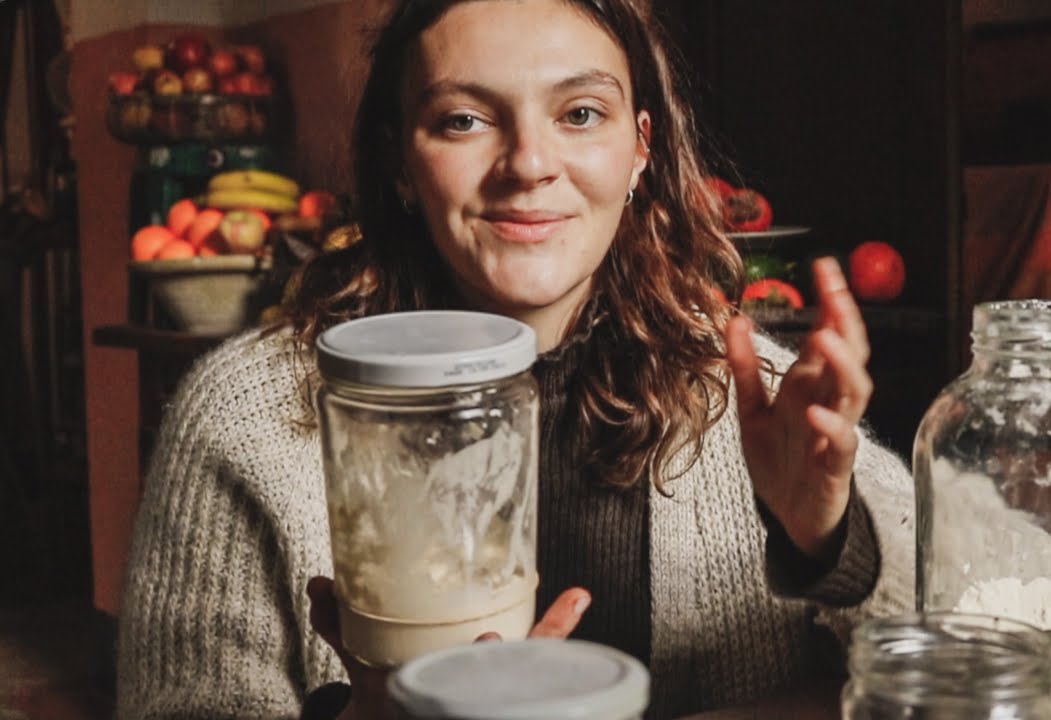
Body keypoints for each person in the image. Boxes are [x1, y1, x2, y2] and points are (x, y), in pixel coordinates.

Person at [116, 0, 914, 718]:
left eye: (580, 113)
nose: (529, 163)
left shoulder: (754, 401)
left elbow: (986, 645)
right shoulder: (245, 419)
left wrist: (832, 541)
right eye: (464, 120)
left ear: (640, 149)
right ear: (398, 158)